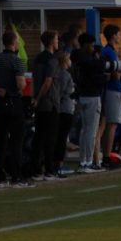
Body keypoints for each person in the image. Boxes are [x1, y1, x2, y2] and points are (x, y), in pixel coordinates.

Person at [0, 30, 31, 188]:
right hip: (13, 102)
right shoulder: (16, 61)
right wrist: (20, 86)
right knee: (17, 140)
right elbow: (20, 83)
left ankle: (0, 176)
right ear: (14, 43)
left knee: (1, 139)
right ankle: (17, 176)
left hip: (0, 103)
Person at [73, 32, 107, 173]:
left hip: (82, 96)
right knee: (91, 131)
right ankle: (87, 162)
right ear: (86, 44)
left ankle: (83, 161)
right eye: (92, 45)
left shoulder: (76, 57)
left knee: (84, 130)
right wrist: (100, 60)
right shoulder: (88, 60)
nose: (93, 48)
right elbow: (100, 67)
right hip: (92, 96)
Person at [29, 31, 60, 181]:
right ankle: (49, 169)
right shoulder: (52, 60)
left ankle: (36, 169)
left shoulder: (36, 59)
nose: (57, 41)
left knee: (38, 137)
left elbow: (35, 79)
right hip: (49, 102)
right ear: (51, 42)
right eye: (56, 39)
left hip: (39, 103)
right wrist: (40, 97)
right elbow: (48, 82)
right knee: (50, 138)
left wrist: (34, 98)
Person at [97, 24, 121, 167]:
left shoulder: (108, 51)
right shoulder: (110, 52)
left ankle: (104, 155)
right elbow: (115, 74)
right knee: (111, 124)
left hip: (112, 90)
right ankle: (106, 157)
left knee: (107, 124)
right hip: (113, 90)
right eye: (119, 34)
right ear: (113, 36)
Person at [49, 49, 76, 177]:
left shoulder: (58, 73)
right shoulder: (64, 74)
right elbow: (62, 92)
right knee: (61, 137)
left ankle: (56, 162)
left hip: (61, 108)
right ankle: (58, 163)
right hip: (65, 109)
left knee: (58, 136)